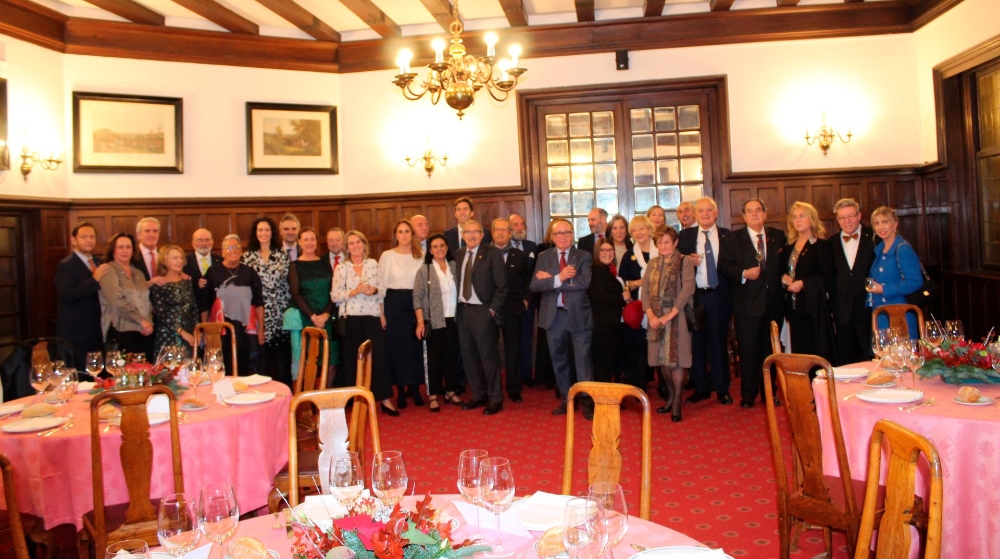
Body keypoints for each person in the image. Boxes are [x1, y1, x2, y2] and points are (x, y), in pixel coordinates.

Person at [718, 198, 786, 408]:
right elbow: (724, 266)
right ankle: (748, 394)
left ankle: (770, 393)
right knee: (747, 351)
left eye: (758, 210)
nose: (755, 214)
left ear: (765, 214)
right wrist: (744, 273)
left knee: (771, 351)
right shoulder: (733, 239)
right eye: (750, 211)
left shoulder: (778, 236)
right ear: (744, 216)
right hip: (746, 305)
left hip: (774, 304)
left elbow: (785, 264)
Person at [531, 218, 595, 418]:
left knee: (583, 361)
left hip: (578, 316)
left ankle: (587, 401)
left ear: (572, 235)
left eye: (567, 232)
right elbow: (534, 286)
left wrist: (551, 280)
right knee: (559, 360)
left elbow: (584, 283)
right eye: (558, 233)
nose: (563, 237)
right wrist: (560, 277)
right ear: (552, 236)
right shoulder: (543, 256)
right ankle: (567, 400)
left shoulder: (583, 256)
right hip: (554, 317)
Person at [331, 230, 395, 414]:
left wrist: (374, 291)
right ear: (347, 248)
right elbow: (334, 296)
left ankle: (384, 399)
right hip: (350, 319)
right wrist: (353, 292)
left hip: (372, 317)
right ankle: (357, 400)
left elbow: (383, 290)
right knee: (353, 360)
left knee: (378, 360)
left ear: (364, 244)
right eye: (351, 243)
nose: (355, 246)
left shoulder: (373, 264)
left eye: (358, 242)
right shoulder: (341, 268)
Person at [678, 197, 732, 405]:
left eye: (709, 210)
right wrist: (686, 261)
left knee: (718, 344)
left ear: (716, 213)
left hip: (719, 295)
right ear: (696, 214)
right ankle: (700, 387)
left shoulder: (728, 236)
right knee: (696, 345)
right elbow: (675, 261)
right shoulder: (686, 236)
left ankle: (722, 388)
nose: (705, 213)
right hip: (695, 297)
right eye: (701, 211)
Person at [642, 227, 695, 421]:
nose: (663, 246)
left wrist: (670, 315)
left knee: (677, 360)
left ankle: (678, 401)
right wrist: (650, 314)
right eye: (660, 243)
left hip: (677, 316)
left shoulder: (685, 261)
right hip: (655, 318)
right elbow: (645, 291)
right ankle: (671, 397)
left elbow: (688, 289)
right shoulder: (652, 263)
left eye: (667, 242)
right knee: (661, 359)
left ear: (675, 243)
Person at [454, 219, 507, 415]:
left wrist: (491, 311)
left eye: (476, 232)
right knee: (469, 357)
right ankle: (478, 395)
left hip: (483, 312)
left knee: (488, 358)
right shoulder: (459, 254)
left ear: (483, 234)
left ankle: (495, 399)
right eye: (468, 232)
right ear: (463, 235)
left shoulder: (493, 253)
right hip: (463, 311)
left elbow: (502, 287)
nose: (472, 235)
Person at [778, 202, 836, 366]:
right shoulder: (789, 246)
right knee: (799, 353)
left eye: (802, 216)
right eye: (794, 217)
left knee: (815, 351)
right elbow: (783, 271)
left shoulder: (822, 245)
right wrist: (783, 278)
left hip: (813, 307)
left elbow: (827, 275)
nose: (798, 220)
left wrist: (803, 283)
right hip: (793, 307)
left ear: (812, 219)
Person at [378, 219, 425, 408]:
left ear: (412, 234)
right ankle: (400, 391)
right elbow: (381, 286)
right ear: (395, 235)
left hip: (415, 303)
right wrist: (381, 313)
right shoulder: (387, 255)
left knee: (415, 348)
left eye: (407, 231)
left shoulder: (420, 255)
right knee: (397, 349)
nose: (404, 235)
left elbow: (423, 284)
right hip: (394, 304)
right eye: (400, 232)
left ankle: (414, 388)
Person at [202, 234, 264, 377]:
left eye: (237, 247)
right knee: (221, 368)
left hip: (244, 330)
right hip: (220, 330)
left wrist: (261, 328)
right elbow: (205, 303)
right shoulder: (212, 272)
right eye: (229, 247)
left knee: (243, 368)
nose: (233, 250)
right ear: (223, 251)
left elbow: (259, 302)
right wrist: (205, 329)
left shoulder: (250, 272)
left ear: (241, 251)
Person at [413, 234, 461, 411]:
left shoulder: (454, 267)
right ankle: (433, 395)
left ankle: (450, 391)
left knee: (451, 358)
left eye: (442, 245)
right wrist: (420, 322)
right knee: (433, 360)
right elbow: (417, 297)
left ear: (447, 248)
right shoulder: (424, 270)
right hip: (433, 322)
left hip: (453, 320)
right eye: (435, 246)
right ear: (430, 250)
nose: (439, 249)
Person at [243, 217, 292, 387]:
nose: (263, 233)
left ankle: (285, 406)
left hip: (279, 316)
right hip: (258, 316)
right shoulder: (247, 257)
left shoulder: (282, 255)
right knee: (261, 366)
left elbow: (287, 285)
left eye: (267, 230)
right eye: (260, 230)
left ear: (272, 233)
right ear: (255, 234)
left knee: (281, 366)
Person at [55, 222, 110, 367]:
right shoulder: (66, 265)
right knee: (81, 376)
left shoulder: (98, 262)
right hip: (76, 333)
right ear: (74, 240)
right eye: (84, 237)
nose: (89, 240)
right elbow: (67, 295)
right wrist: (94, 279)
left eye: (92, 237)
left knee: (97, 375)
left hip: (97, 329)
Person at [829, 199, 876, 364]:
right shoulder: (830, 243)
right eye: (842, 218)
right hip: (842, 309)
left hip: (868, 306)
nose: (847, 221)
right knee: (846, 358)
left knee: (870, 356)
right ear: (837, 219)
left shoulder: (874, 237)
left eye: (850, 216)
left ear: (859, 216)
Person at [867, 206, 924, 337]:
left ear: (895, 224)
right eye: (877, 223)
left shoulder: (902, 248)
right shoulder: (879, 249)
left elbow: (915, 281)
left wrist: (884, 289)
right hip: (881, 314)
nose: (881, 227)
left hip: (899, 314)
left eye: (885, 222)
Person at [289, 227, 339, 372]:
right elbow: (295, 293)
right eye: (306, 239)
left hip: (327, 316)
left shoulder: (325, 262)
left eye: (312, 239)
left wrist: (326, 314)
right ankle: (312, 393)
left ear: (317, 242)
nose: (309, 242)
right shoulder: (295, 265)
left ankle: (327, 393)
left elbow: (333, 290)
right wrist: (313, 316)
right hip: (308, 317)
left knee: (331, 359)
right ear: (299, 242)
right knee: (311, 358)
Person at [492, 217, 531, 402]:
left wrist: (525, 301)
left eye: (504, 230)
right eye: (497, 229)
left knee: (513, 349)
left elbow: (528, 281)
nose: (500, 233)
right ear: (492, 233)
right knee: (489, 350)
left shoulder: (519, 255)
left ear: (509, 233)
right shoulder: (484, 254)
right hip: (489, 309)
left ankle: (514, 389)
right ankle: (491, 389)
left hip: (513, 308)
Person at [617, 216, 657, 390]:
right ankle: (637, 385)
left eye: (642, 228)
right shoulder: (629, 254)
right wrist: (640, 283)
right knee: (636, 347)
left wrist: (640, 281)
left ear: (650, 229)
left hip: (660, 307)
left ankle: (664, 386)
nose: (638, 233)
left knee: (658, 347)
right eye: (634, 230)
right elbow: (623, 282)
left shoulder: (662, 250)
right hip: (636, 309)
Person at [99, 232, 154, 359]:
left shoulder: (138, 272)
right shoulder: (108, 270)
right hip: (121, 330)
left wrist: (149, 323)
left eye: (128, 247)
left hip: (144, 331)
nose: (125, 251)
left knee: (146, 373)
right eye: (120, 247)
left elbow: (147, 301)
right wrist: (141, 321)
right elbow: (117, 302)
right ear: (113, 250)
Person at [588, 237, 626, 384]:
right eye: (603, 250)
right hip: (602, 325)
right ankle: (601, 400)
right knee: (603, 364)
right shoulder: (595, 270)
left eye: (610, 250)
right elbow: (598, 297)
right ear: (597, 252)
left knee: (611, 362)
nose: (607, 253)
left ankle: (610, 398)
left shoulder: (609, 269)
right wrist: (621, 297)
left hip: (612, 323)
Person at [149, 245, 198, 358]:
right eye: (175, 258)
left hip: (190, 334)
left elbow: (194, 308)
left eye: (181, 258)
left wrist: (196, 331)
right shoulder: (159, 285)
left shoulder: (187, 282)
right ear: (164, 261)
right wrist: (182, 333)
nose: (179, 261)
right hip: (168, 335)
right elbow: (162, 315)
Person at [509, 212, 538, 388]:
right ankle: (514, 375)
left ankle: (527, 374)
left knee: (527, 338)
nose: (520, 228)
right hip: (509, 301)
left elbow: (534, 274)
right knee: (512, 340)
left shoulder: (532, 246)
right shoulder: (503, 247)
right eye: (516, 225)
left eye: (522, 224)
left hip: (528, 300)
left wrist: (528, 298)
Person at [183, 228, 222, 310]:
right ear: (193, 243)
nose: (204, 244)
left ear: (212, 242)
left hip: (216, 307)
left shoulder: (221, 261)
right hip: (193, 308)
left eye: (207, 240)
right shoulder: (184, 262)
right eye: (199, 240)